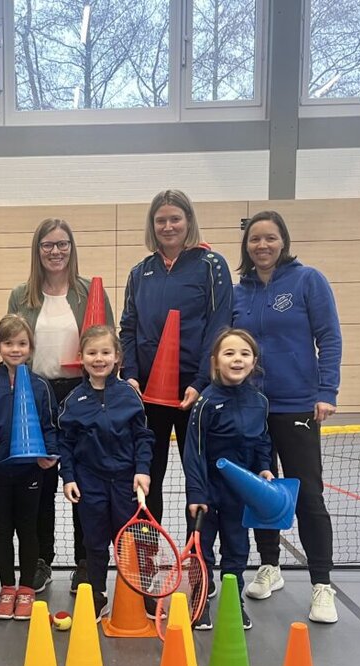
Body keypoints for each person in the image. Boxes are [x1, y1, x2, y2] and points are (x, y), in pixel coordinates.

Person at [232, 210, 343, 624]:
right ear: (246, 246)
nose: (262, 245)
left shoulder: (307, 280)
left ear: (284, 241)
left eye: (270, 238)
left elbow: (329, 337)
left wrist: (326, 391)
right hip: (251, 407)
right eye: (255, 239)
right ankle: (270, 565)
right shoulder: (238, 293)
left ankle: (321, 584)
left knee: (308, 496)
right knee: (262, 490)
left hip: (296, 404)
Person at [119, 190, 233, 553]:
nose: (168, 226)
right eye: (160, 220)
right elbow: (128, 328)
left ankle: (197, 557)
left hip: (194, 393)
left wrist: (200, 382)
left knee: (199, 477)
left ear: (188, 221)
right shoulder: (140, 272)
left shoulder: (211, 265)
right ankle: (146, 555)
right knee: (145, 474)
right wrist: (131, 375)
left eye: (175, 219)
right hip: (147, 394)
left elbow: (219, 326)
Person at [8, 218, 115, 595]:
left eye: (62, 244)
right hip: (37, 394)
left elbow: (108, 344)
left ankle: (86, 561)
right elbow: (14, 346)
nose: (55, 251)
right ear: (37, 250)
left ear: (72, 247)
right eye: (48, 245)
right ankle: (41, 559)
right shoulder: (21, 296)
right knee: (40, 482)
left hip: (81, 393)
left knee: (84, 479)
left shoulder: (90, 292)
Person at [58, 325, 154, 620]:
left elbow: (143, 437)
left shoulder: (129, 395)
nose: (98, 358)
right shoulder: (73, 400)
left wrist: (142, 470)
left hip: (125, 482)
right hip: (90, 483)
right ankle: (97, 593)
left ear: (117, 357)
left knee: (130, 541)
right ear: (81, 357)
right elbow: (65, 444)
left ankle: (138, 593)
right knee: (94, 542)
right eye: (92, 353)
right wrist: (69, 477)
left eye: (105, 352)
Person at [183, 329, 274, 632]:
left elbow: (262, 441)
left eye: (245, 354)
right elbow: (194, 451)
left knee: (237, 548)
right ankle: (199, 600)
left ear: (253, 362)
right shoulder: (206, 402)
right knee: (202, 549)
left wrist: (264, 469)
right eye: (229, 353)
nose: (237, 359)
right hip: (208, 489)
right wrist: (197, 493)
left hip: (240, 491)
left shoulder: (260, 402)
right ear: (215, 361)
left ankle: (234, 601)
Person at [0, 314, 59, 621]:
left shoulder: (40, 386)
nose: (15, 349)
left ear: (30, 347)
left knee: (28, 529)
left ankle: (27, 588)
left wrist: (50, 454)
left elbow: (50, 426)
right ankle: (7, 587)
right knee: (3, 530)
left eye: (22, 343)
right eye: (8, 343)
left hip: (30, 472)